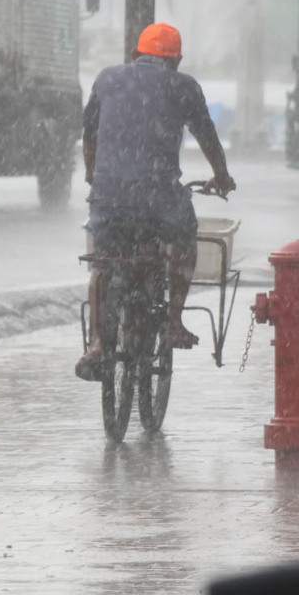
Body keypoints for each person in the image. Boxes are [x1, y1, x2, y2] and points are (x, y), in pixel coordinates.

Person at [75, 22, 234, 381]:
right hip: (159, 197)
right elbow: (207, 136)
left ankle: (98, 342)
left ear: (135, 54)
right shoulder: (184, 86)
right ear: (176, 60)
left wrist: (92, 174)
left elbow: (89, 133)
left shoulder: (106, 78)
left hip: (110, 196)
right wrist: (221, 176)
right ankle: (173, 322)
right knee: (184, 236)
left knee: (104, 260)